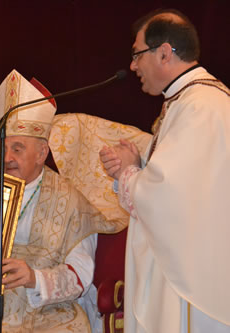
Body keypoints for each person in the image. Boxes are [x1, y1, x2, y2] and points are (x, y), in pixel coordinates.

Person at [0, 69, 125, 332]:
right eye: (4, 148)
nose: (7, 158)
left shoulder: (70, 201)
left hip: (43, 310)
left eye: (18, 149)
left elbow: (80, 275)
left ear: (42, 152)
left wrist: (34, 278)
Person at [99, 9, 230, 333]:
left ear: (165, 52)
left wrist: (129, 173)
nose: (132, 66)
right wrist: (139, 167)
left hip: (193, 279)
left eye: (136, 54)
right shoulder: (190, 100)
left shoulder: (200, 106)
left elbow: (169, 196)